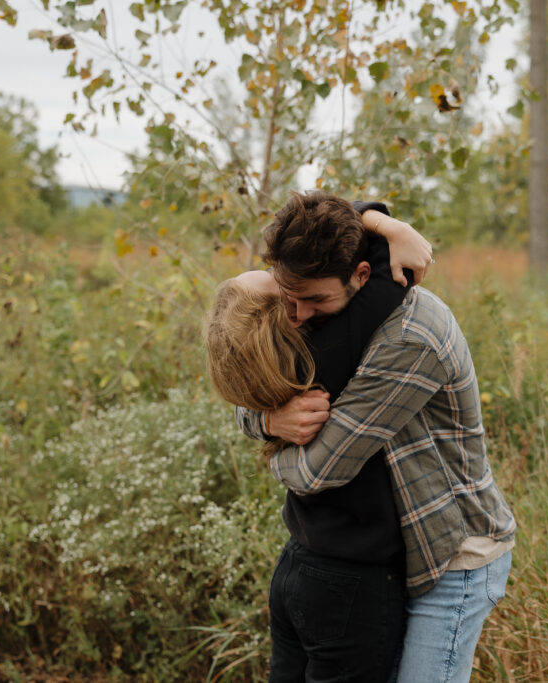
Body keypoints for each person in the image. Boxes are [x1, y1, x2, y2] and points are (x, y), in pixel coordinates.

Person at [238, 192, 517, 683]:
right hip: (389, 556)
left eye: (315, 300)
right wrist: (268, 421)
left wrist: (269, 457)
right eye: (289, 296)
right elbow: (249, 393)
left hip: (451, 554)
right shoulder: (321, 305)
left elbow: (317, 470)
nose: (298, 316)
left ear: (362, 276)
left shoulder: (409, 337)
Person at [204, 197, 433, 682]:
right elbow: (391, 273)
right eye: (279, 288)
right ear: (283, 314)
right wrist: (392, 227)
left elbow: (324, 234)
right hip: (354, 577)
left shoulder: (274, 372)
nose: (295, 297)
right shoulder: (332, 346)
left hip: (296, 565)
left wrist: (377, 218)